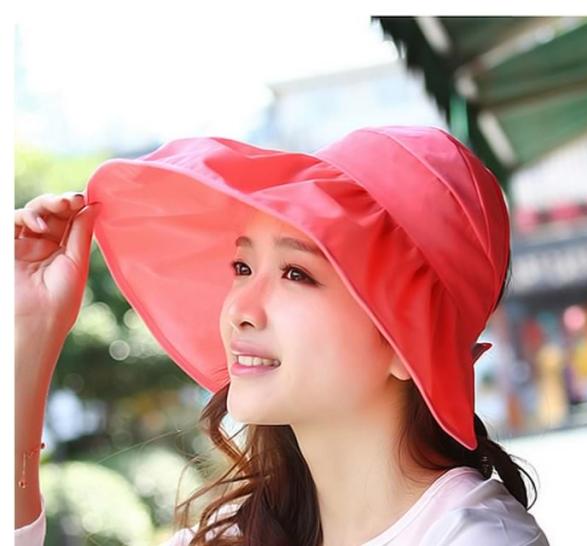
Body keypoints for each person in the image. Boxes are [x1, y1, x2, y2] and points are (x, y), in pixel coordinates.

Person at [15, 126, 550, 545]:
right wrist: (28, 335)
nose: (238, 311)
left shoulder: (476, 538)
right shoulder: (231, 534)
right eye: (242, 268)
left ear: (407, 345)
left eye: (296, 273)